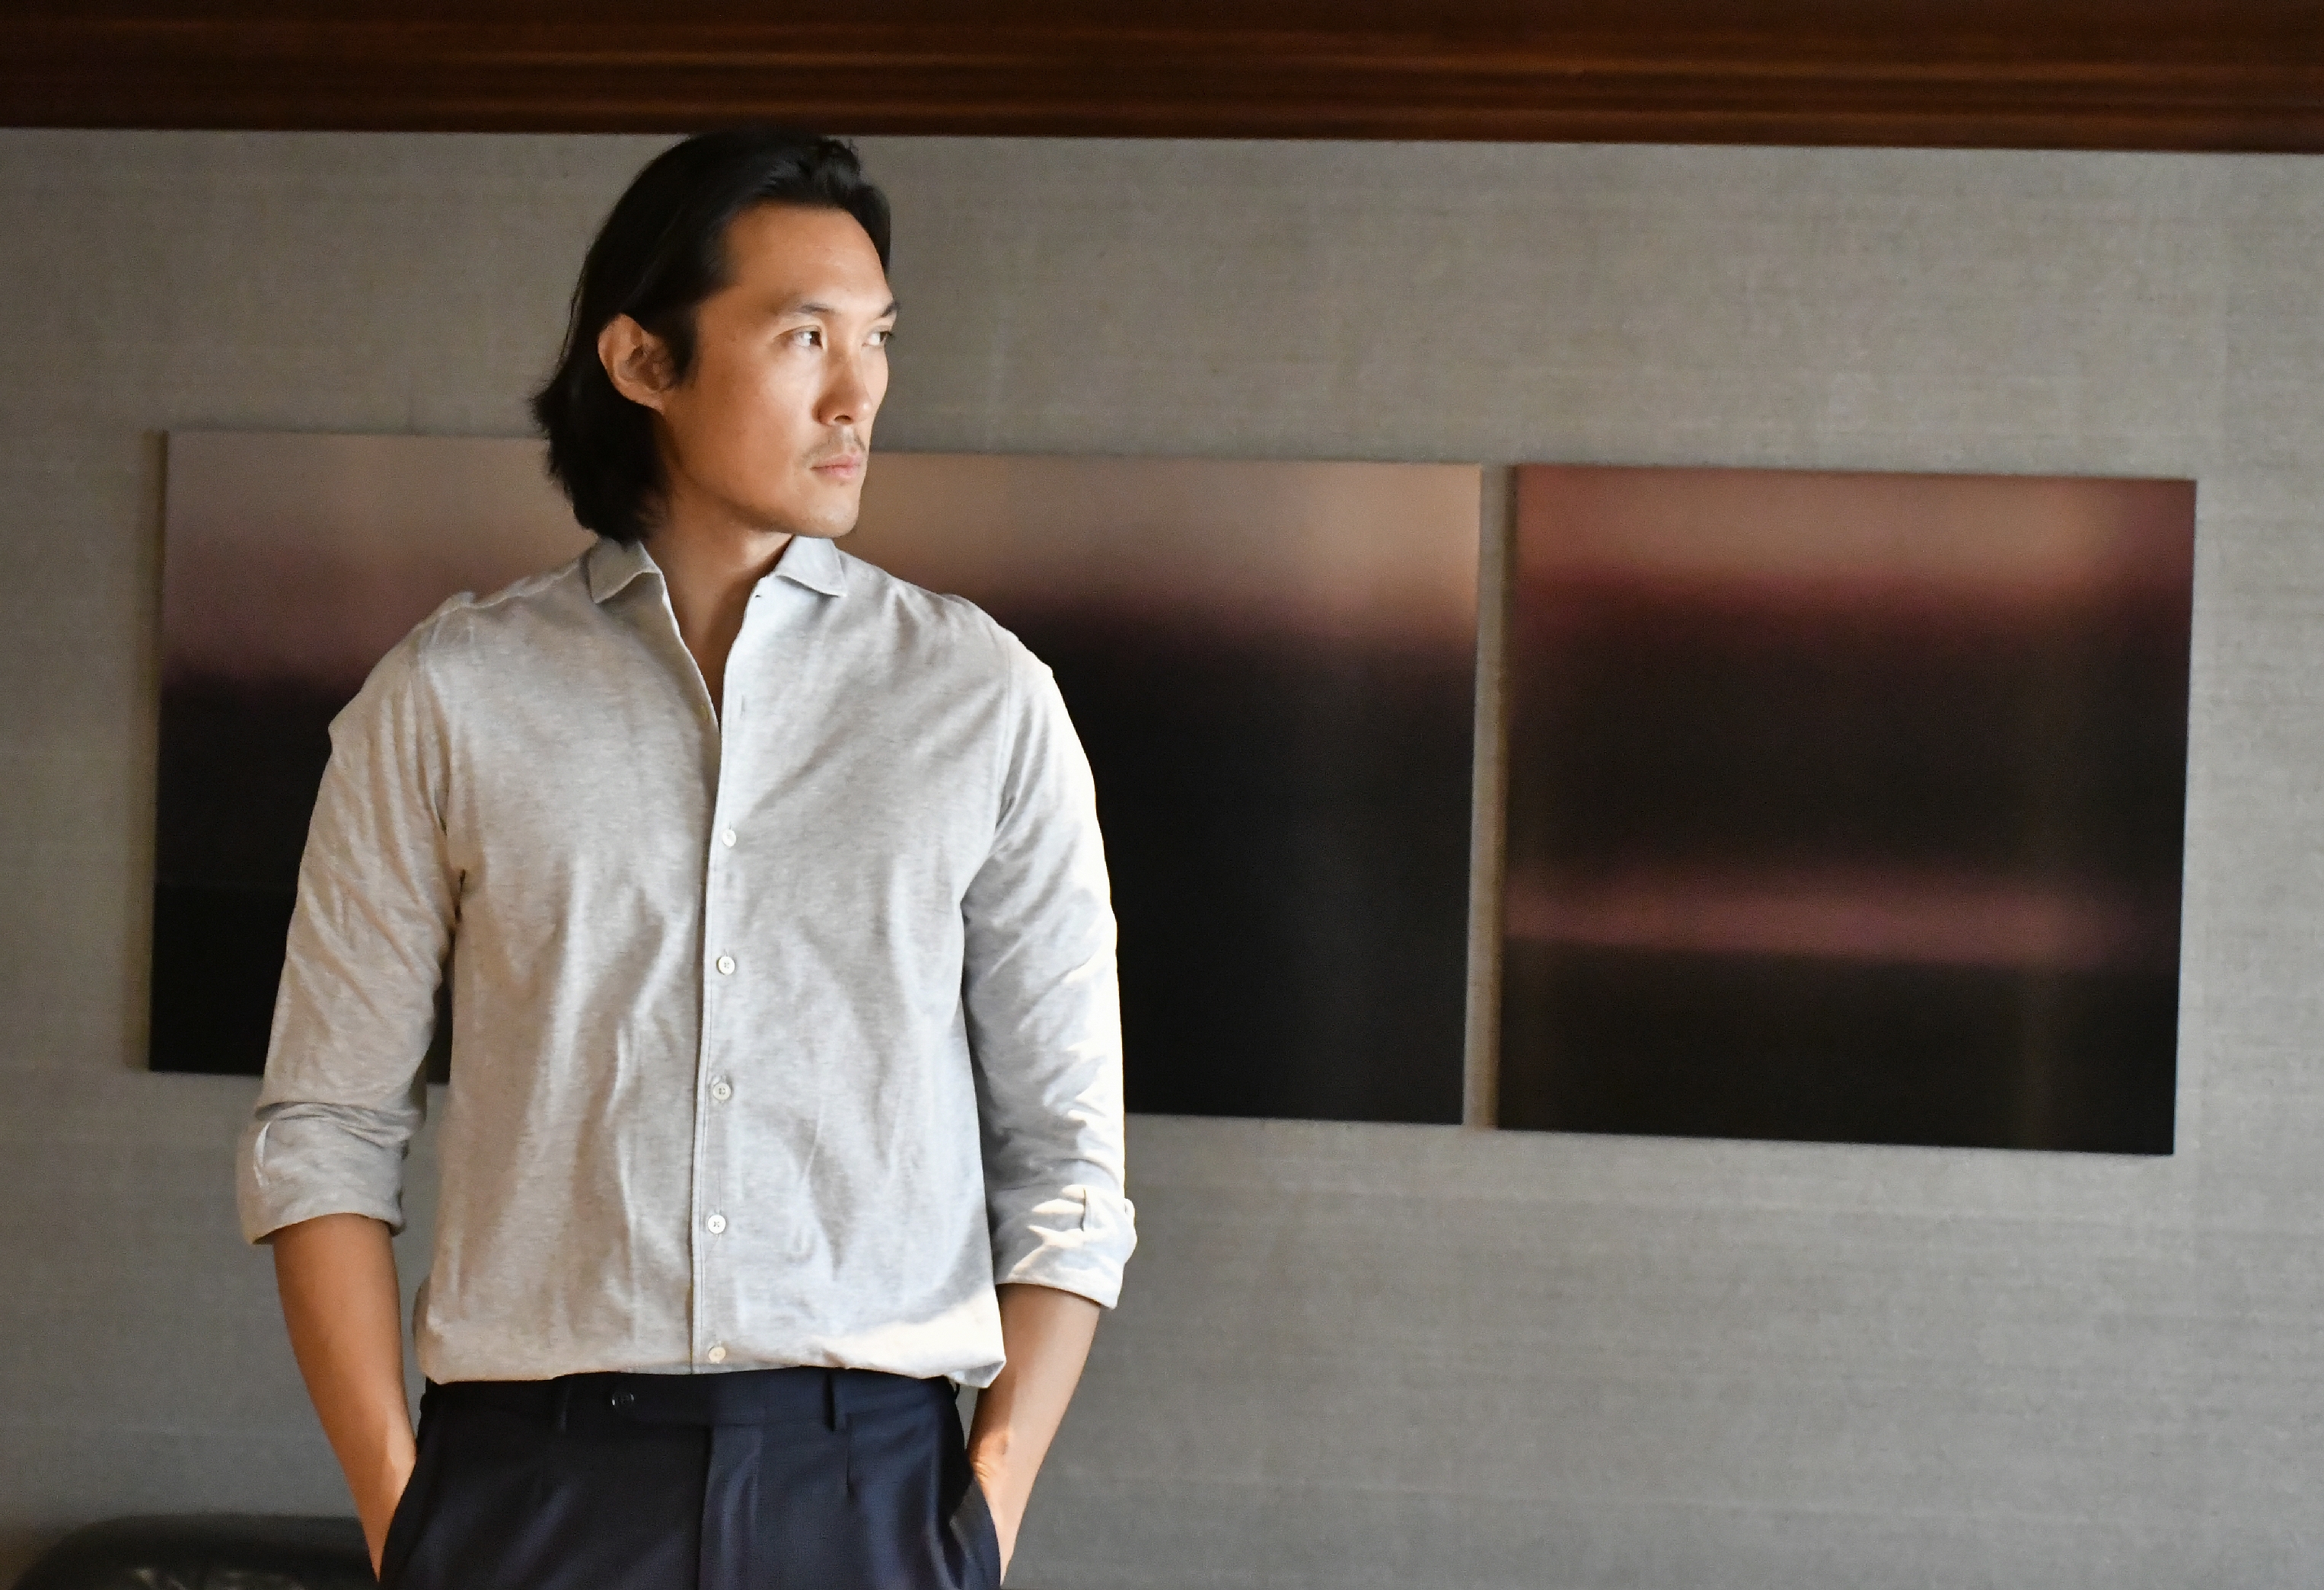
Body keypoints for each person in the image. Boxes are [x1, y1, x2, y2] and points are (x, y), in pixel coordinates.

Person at [236, 129, 1135, 1590]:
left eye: (877, 338)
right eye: (804, 337)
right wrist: (407, 1518)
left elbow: (1067, 1162)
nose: (859, 393)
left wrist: (981, 1515)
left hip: (873, 1493)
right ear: (644, 361)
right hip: (526, 1493)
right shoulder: (448, 699)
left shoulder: (983, 702)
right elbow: (324, 1129)